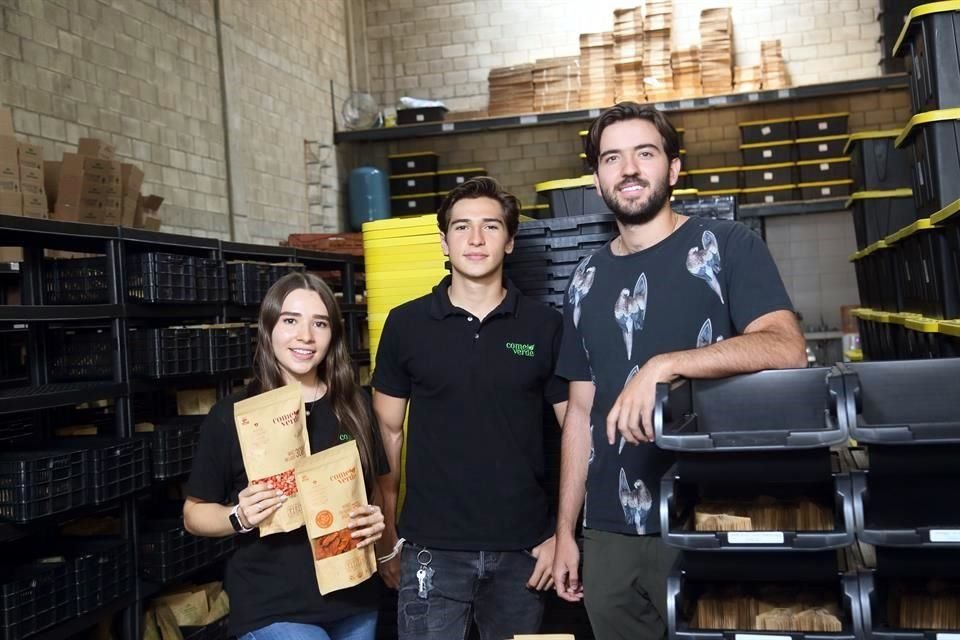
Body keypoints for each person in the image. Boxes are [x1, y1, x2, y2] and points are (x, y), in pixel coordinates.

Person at [551, 102, 808, 640]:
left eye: (645, 153)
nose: (628, 169)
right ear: (597, 178)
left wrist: (665, 365)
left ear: (673, 168)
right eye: (611, 157)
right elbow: (579, 412)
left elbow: (786, 347)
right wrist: (566, 531)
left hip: (711, 515)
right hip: (609, 532)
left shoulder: (727, 246)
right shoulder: (584, 278)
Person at [372, 176, 569, 639]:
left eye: (490, 227)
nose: (476, 239)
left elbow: (576, 433)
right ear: (444, 241)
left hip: (525, 551)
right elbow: (387, 436)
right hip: (431, 552)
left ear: (511, 240)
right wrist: (386, 540)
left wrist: (562, 535)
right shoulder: (405, 325)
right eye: (461, 227)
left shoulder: (546, 326)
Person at [183, 272, 389, 640]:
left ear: (333, 335)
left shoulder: (356, 405)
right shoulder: (233, 414)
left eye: (319, 323)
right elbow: (194, 514)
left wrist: (376, 522)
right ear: (269, 329)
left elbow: (370, 492)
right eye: (290, 320)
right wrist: (238, 516)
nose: (305, 336)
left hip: (355, 596)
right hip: (272, 605)